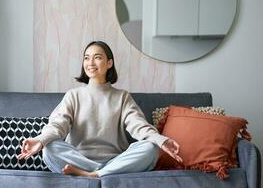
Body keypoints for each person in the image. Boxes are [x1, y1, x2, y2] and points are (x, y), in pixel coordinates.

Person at [17, 41, 182, 177]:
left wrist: (161, 140)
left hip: (115, 160)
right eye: (86, 58)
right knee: (50, 148)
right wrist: (40, 140)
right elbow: (58, 125)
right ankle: (100, 172)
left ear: (109, 63)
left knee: (150, 148)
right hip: (79, 159)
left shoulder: (122, 97)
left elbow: (138, 125)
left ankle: (95, 174)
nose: (90, 63)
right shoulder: (73, 95)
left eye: (97, 58)